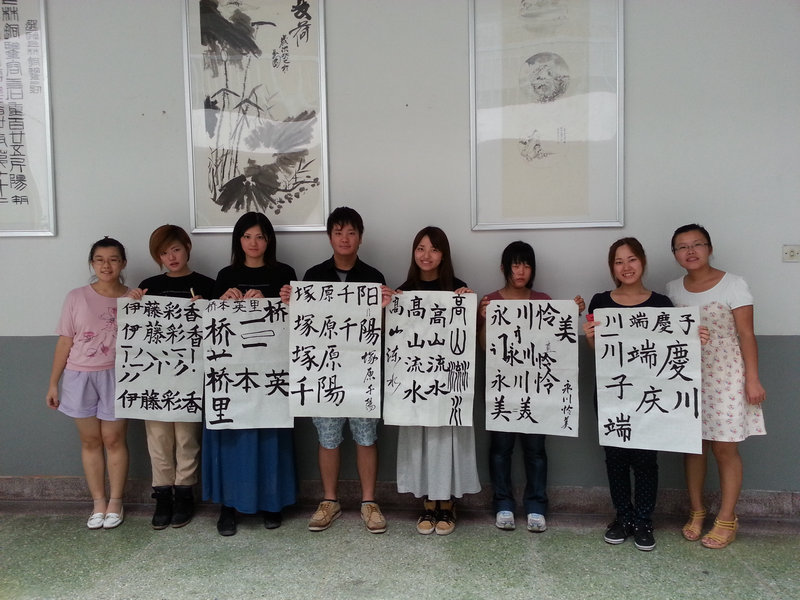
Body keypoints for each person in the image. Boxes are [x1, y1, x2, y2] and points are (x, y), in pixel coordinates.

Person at [288, 207, 390, 534]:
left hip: (363, 372)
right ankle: (329, 500)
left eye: (351, 232)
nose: (344, 239)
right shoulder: (313, 276)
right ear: (329, 237)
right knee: (328, 438)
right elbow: (303, 325)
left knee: (366, 437)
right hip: (324, 371)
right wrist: (292, 302)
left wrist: (387, 307)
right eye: (338, 232)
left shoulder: (373, 277)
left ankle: (369, 501)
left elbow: (384, 328)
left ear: (360, 237)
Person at [666, 224, 766, 549]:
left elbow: (746, 334)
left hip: (726, 373)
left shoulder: (733, 284)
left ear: (709, 248)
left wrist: (752, 379)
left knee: (725, 448)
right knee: (694, 446)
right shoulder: (672, 290)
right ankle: (697, 511)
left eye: (697, 244)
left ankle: (726, 518)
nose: (690, 251)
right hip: (687, 375)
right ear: (675, 254)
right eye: (682, 246)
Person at [477, 241, 584, 533]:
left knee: (536, 450)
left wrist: (570, 312)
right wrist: (485, 318)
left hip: (537, 389)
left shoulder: (543, 300)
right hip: (502, 387)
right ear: (504, 268)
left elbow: (555, 343)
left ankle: (536, 506)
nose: (521, 271)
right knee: (500, 449)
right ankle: (503, 504)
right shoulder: (491, 301)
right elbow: (484, 346)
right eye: (515, 264)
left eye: (526, 265)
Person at [203, 212, 297, 536]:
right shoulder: (225, 274)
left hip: (271, 375)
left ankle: (273, 503)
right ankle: (228, 506)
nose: (253, 243)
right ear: (238, 240)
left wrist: (275, 300)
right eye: (247, 237)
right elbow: (211, 324)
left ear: (269, 240)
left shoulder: (284, 273)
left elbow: (296, 317)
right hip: (232, 376)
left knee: (271, 437)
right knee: (233, 438)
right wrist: (224, 301)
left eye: (260, 237)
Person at [583, 237, 673, 551]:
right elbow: (597, 349)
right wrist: (590, 337)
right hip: (612, 392)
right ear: (612, 268)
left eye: (631, 259)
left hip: (649, 394)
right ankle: (623, 517)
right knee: (616, 458)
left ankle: (644, 520)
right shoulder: (600, 301)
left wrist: (693, 337)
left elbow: (670, 348)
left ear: (642, 261)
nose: (626, 267)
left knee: (646, 459)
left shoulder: (661, 304)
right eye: (619, 261)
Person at [126, 224, 215, 530]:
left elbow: (219, 330)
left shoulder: (207, 284)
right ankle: (162, 496)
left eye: (176, 249)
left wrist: (206, 309)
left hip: (190, 375)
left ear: (187, 247)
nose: (171, 257)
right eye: (163, 253)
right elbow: (137, 329)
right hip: (155, 376)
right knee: (158, 438)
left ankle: (185, 494)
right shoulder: (149, 286)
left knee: (187, 437)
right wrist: (133, 302)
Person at [395, 226, 481, 535]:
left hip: (447, 382)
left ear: (443, 254)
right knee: (421, 438)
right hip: (416, 383)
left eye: (433, 249)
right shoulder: (403, 292)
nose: (426, 255)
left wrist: (471, 305)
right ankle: (428, 502)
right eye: (420, 248)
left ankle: (448, 503)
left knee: (446, 438)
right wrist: (386, 308)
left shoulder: (458, 289)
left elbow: (471, 337)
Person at [46, 237, 130, 530]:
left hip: (117, 376)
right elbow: (65, 341)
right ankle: (98, 503)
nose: (106, 266)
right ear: (92, 263)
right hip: (78, 376)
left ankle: (116, 502)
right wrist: (53, 383)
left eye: (113, 259)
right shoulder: (76, 297)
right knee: (90, 441)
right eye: (99, 260)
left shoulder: (133, 299)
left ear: (123, 263)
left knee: (114, 440)